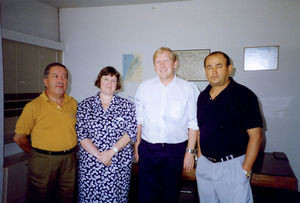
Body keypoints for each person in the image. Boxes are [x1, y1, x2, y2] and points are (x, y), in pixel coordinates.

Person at [196, 51, 263, 203]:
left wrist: (245, 170)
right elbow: (201, 129)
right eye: (209, 67)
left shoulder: (244, 95)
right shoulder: (202, 96)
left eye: (219, 66)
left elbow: (256, 136)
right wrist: (200, 157)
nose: (213, 71)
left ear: (229, 68)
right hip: (206, 166)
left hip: (233, 167)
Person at [134, 47, 200, 203]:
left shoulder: (189, 89)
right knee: (145, 195)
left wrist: (190, 152)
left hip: (175, 150)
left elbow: (194, 122)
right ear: (154, 66)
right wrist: (137, 144)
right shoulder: (144, 87)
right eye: (158, 62)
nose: (162, 65)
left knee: (170, 195)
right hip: (148, 149)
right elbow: (139, 120)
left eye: (166, 61)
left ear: (175, 63)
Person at [14, 62, 77, 203]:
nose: (61, 80)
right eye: (56, 76)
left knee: (67, 197)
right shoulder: (33, 106)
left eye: (64, 77)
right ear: (45, 81)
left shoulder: (73, 103)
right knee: (40, 198)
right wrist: (35, 154)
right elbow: (19, 138)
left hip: (69, 160)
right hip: (43, 161)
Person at [76, 66, 137, 202]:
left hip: (117, 164)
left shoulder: (127, 106)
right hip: (91, 165)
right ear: (99, 81)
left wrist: (111, 152)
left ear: (118, 84)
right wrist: (101, 156)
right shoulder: (85, 106)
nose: (109, 84)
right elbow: (81, 135)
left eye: (113, 80)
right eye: (106, 79)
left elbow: (131, 132)